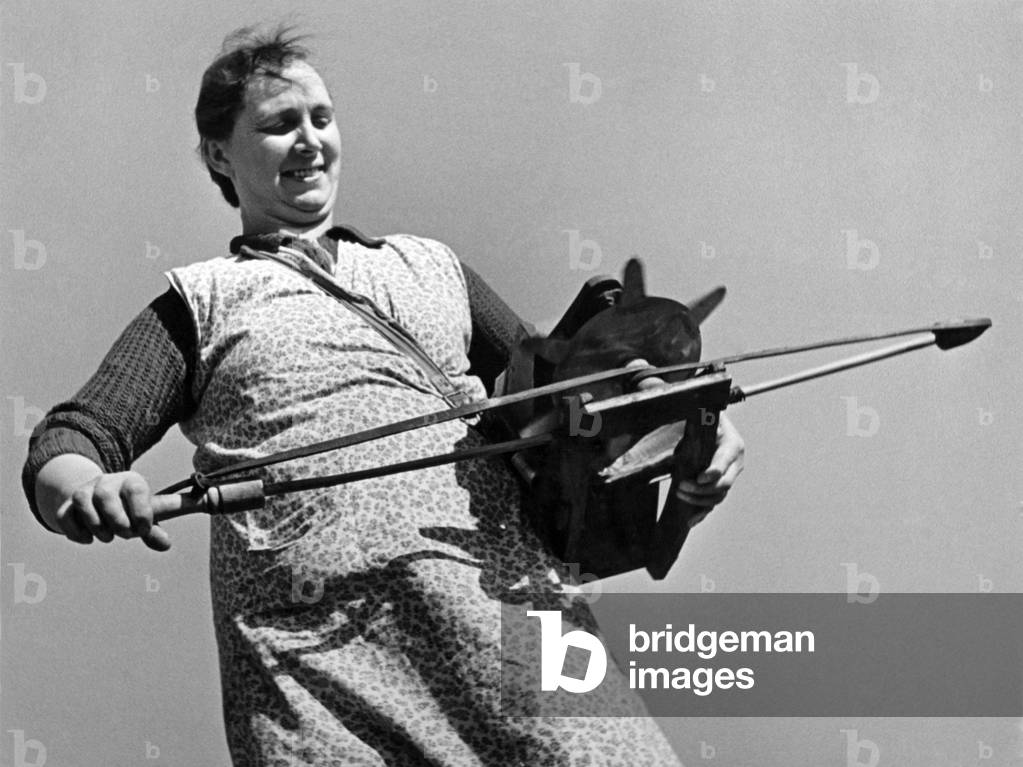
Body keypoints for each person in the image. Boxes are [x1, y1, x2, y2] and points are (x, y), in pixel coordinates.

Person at [23, 26, 745, 766]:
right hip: (321, 652)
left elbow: (560, 396)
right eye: (278, 125)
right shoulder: (202, 301)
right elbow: (74, 436)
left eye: (321, 119)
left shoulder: (430, 266)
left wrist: (682, 437)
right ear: (218, 154)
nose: (308, 141)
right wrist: (84, 488)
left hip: (512, 607)